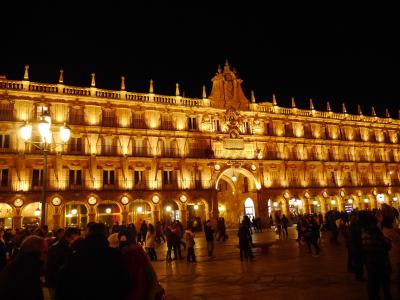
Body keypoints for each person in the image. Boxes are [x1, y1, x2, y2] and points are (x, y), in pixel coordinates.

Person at [55, 223, 130, 300]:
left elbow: (63, 283)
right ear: (106, 235)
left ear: (87, 234)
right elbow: (125, 282)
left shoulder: (76, 255)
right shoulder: (115, 255)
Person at [0, 235, 48, 300]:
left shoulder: (19, 265)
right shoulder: (26, 272)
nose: (47, 256)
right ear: (35, 253)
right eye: (45, 252)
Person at [45, 227, 80, 300]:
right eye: (74, 239)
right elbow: (52, 267)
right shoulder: (57, 248)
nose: (74, 241)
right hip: (56, 282)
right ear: (68, 237)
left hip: (62, 282)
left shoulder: (69, 247)